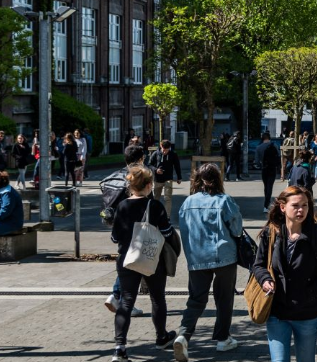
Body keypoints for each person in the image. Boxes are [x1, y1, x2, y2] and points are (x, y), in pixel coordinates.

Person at [252, 186, 317, 362]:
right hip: (277, 312)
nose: (301, 210)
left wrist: (311, 293)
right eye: (296, 205)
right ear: (283, 207)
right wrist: (265, 279)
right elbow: (258, 265)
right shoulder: (272, 232)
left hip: (307, 313)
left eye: (305, 205)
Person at [173, 163, 242, 360]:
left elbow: (184, 230)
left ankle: (184, 335)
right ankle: (222, 339)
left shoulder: (188, 203)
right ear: (218, 179)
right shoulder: (224, 200)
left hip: (197, 257)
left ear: (196, 180)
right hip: (224, 255)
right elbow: (236, 230)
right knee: (224, 298)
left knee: (196, 299)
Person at [108, 165, 177, 362]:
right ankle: (161, 337)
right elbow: (167, 233)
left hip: (126, 259)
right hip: (151, 257)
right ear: (148, 185)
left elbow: (114, 238)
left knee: (127, 300)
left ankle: (119, 348)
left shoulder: (121, 206)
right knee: (157, 298)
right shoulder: (155, 206)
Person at [101, 145, 150, 318]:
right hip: (137, 230)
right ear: (141, 158)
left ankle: (117, 296)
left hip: (119, 228)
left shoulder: (117, 175)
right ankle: (122, 300)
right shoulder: (138, 177)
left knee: (127, 264)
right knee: (134, 266)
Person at [149, 140, 182, 217]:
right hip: (157, 179)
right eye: (164, 150)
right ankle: (155, 215)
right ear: (161, 146)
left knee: (167, 198)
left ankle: (167, 217)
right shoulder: (155, 153)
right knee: (156, 198)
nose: (165, 152)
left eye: (167, 150)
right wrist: (156, 170)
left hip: (168, 178)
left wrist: (179, 177)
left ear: (169, 148)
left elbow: (177, 166)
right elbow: (149, 164)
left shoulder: (173, 154)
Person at [256, 132, 282, 213]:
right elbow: (278, 156)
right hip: (272, 169)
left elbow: (257, 161)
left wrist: (261, 165)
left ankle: (266, 203)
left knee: (266, 186)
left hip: (264, 169)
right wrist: (279, 167)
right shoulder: (274, 146)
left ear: (262, 138)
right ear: (269, 138)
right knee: (270, 186)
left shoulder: (258, 147)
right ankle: (266, 205)